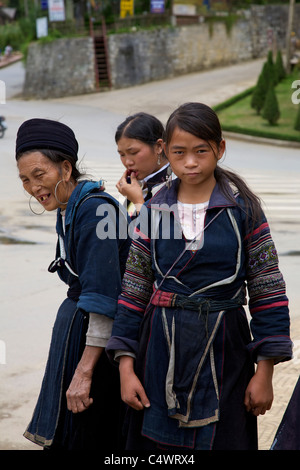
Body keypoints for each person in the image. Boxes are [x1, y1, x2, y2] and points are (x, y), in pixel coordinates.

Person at [106, 102, 293, 450]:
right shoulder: (154, 209)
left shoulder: (243, 210)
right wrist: (126, 367)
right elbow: (133, 291)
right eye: (179, 152)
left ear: (220, 149)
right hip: (159, 354)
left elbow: (268, 291)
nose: (190, 162)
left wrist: (265, 371)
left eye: (201, 151)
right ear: (166, 151)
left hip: (227, 354)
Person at [16, 118, 131, 450]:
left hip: (97, 348)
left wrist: (83, 372)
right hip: (78, 337)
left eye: (40, 175)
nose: (33, 187)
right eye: (25, 180)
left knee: (90, 435)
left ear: (65, 169)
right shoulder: (70, 207)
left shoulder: (94, 211)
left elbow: (103, 295)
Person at [115, 112, 171, 217]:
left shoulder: (175, 184)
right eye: (122, 155)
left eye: (133, 153)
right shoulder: (137, 184)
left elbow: (160, 231)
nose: (128, 162)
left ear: (158, 146)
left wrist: (137, 201)